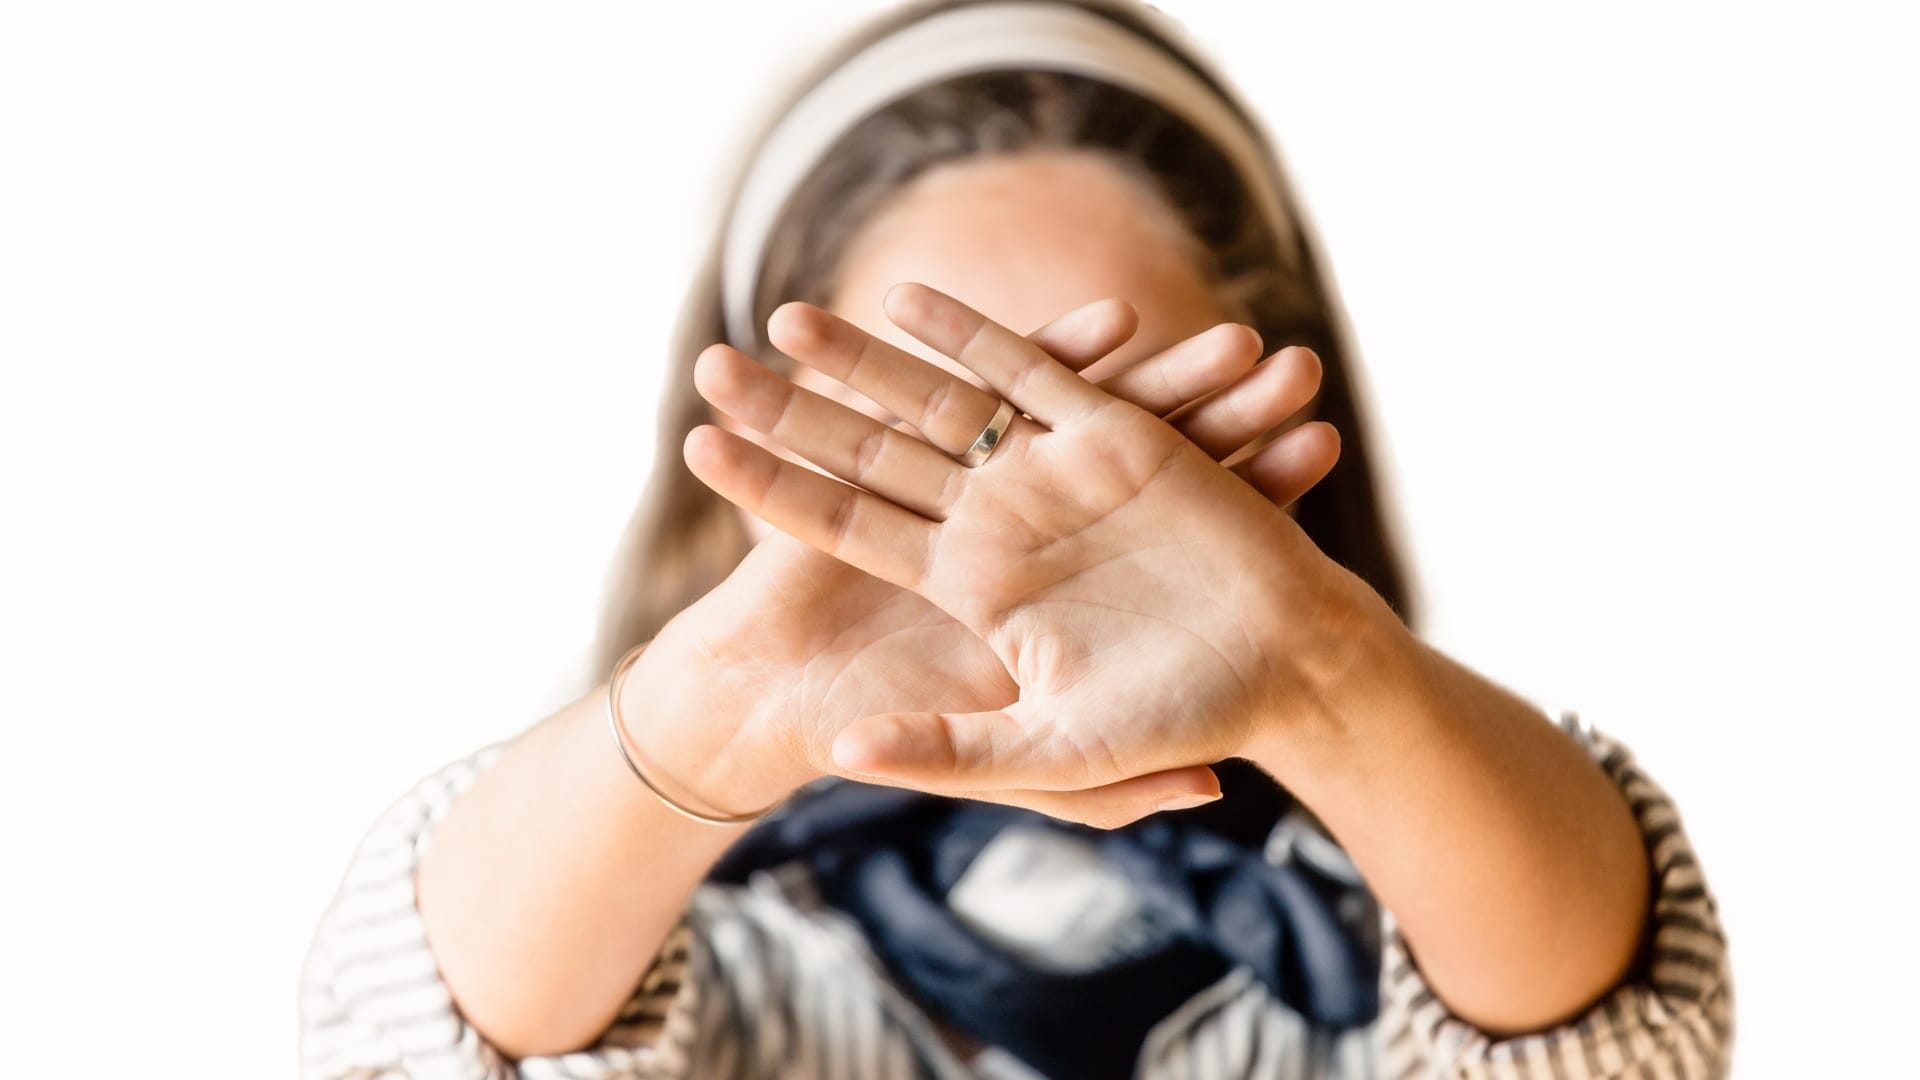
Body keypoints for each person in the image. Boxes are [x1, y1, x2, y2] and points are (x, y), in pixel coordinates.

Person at [298, 2, 1732, 1077]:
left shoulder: (1396, 904)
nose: (1028, 534)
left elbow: (1613, 1028)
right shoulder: (700, 946)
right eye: (938, 434)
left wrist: (1321, 661)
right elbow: (414, 1031)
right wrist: (723, 703)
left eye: (1134, 441)